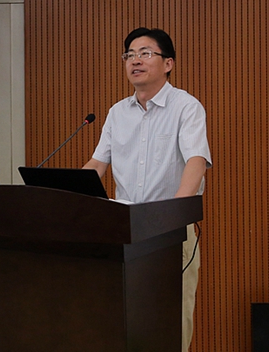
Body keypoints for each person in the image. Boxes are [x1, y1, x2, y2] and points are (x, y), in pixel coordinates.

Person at [82, 27, 212, 352]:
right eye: (129, 55)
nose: (135, 60)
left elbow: (196, 161)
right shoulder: (117, 113)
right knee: (125, 319)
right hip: (123, 231)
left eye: (145, 53)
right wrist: (67, 196)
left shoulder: (186, 107)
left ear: (168, 63)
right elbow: (97, 164)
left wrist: (174, 216)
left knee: (171, 320)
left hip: (169, 231)